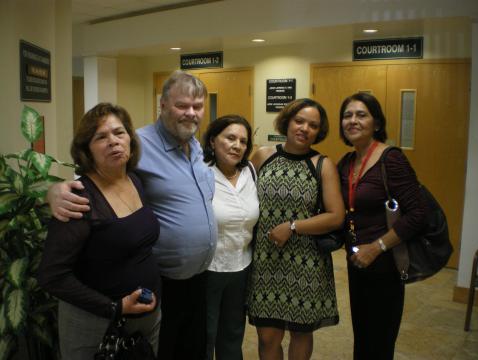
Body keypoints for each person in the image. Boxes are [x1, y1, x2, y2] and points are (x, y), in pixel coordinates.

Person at [47, 70, 216, 360]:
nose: (191, 113)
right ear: (162, 105)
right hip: (162, 281)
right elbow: (92, 181)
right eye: (182, 105)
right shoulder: (140, 144)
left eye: (197, 106)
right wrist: (52, 190)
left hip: (196, 279)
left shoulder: (194, 145)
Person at [37, 103, 161, 359]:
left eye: (119, 133)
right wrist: (114, 307)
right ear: (86, 150)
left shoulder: (135, 180)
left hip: (145, 323)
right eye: (101, 137)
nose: (113, 142)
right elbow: (51, 275)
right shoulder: (78, 198)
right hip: (96, 326)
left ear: (130, 138)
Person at [247, 98, 344, 360]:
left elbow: (336, 216)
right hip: (265, 260)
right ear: (287, 121)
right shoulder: (262, 156)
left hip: (306, 262)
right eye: (299, 121)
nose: (304, 128)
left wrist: (293, 226)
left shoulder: (322, 165)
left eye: (313, 125)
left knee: (301, 332)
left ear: (319, 131)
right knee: (268, 337)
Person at [337, 92, 427, 360]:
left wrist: (376, 248)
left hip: (385, 264)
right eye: (347, 115)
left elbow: (418, 214)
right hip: (357, 264)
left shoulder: (391, 159)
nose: (353, 121)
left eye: (361, 115)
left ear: (376, 123)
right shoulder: (346, 162)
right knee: (362, 338)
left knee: (379, 343)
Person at [202, 115, 259, 360]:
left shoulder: (250, 172)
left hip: (241, 268)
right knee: (205, 335)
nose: (237, 145)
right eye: (230, 138)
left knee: (233, 335)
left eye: (243, 141)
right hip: (207, 270)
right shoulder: (200, 174)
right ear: (213, 141)